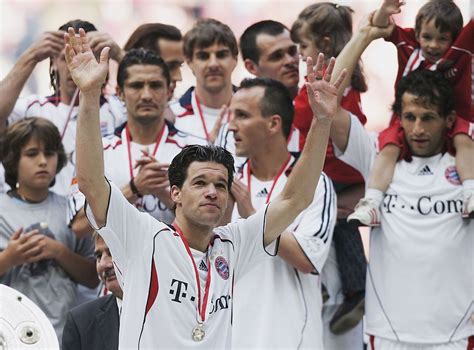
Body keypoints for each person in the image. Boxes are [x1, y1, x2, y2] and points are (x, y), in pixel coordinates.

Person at [64, 26, 346, 348]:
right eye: (199, 183)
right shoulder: (142, 237)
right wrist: (89, 95)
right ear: (176, 193)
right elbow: (90, 182)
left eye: (221, 185)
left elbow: (296, 199)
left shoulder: (234, 243)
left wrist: (322, 120)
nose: (212, 192)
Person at [329, 18, 474, 349]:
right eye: (409, 117)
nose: (418, 128)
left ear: (449, 120)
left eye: (428, 118)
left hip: (457, 333)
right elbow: (328, 101)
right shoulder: (378, 155)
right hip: (388, 333)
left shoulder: (469, 164)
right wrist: (366, 34)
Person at [226, 77, 336, 349]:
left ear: (273, 124)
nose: (231, 126)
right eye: (231, 115)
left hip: (292, 341)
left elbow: (307, 259)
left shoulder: (315, 184)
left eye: (241, 116)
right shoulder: (225, 184)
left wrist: (253, 215)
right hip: (233, 340)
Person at [348, 0, 474, 225]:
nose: (433, 45)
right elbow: (380, 26)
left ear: (455, 38)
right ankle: (372, 203)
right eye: (427, 37)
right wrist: (385, 10)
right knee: (388, 148)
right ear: (417, 34)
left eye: (442, 39)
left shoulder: (461, 49)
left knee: (464, 139)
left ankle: (471, 193)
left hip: (455, 119)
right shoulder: (407, 45)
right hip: (405, 119)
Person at [291, 2, 369, 336]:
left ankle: (354, 290)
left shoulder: (332, 83)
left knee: (335, 223)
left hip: (335, 171)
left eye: (302, 47)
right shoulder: (323, 84)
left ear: (323, 44)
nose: (298, 55)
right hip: (328, 170)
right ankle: (337, 287)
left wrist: (364, 35)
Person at [68, 48, 204, 238]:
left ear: (169, 91)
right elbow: (79, 227)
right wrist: (134, 189)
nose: (146, 95)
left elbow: (210, 224)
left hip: (179, 266)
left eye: (155, 85)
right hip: (116, 266)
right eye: (137, 86)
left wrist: (163, 192)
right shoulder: (98, 153)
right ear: (120, 93)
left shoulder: (198, 152)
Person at [0, 19, 127, 196]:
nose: (75, 65)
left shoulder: (121, 110)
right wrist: (31, 56)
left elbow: (161, 107)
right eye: (65, 57)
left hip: (101, 218)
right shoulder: (32, 109)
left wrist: (120, 55)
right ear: (53, 63)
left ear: (101, 61)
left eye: (84, 56)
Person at [0, 117, 98, 342]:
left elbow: (93, 277)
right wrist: (9, 257)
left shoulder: (73, 212)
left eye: (50, 153)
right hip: (9, 333)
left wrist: (59, 252)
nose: (43, 162)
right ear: (13, 160)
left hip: (63, 333)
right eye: (32, 154)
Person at [170, 18, 237, 143]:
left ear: (235, 59)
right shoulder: (171, 116)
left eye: (221, 55)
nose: (213, 64)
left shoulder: (257, 113)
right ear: (189, 61)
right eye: (203, 56)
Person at [62, 233, 122, 350]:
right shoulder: (81, 322)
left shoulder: (166, 310)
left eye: (112, 252)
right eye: (99, 256)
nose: (104, 264)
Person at [239, 20, 299, 99]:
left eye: (292, 51)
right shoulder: (242, 109)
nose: (290, 61)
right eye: (277, 56)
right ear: (251, 67)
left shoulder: (318, 101)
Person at [123, 23, 184, 99]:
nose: (179, 77)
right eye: (170, 66)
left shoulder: (182, 108)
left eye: (180, 65)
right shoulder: (109, 109)